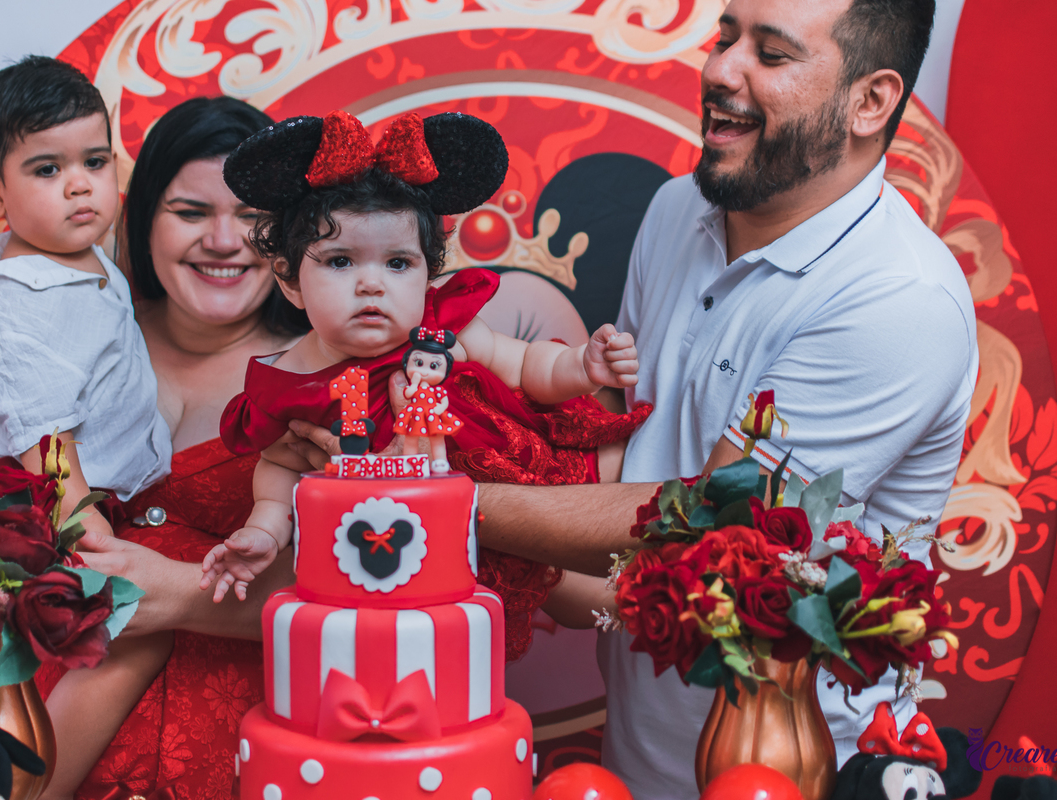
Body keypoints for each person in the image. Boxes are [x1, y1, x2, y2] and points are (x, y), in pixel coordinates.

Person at [284, 0, 978, 797]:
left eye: (773, 53)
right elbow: (626, 445)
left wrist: (413, 498)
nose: (719, 69)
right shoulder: (678, 211)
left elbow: (720, 522)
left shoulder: (896, 299)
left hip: (802, 761)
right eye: (725, 37)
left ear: (871, 101)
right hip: (641, 746)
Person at [0, 95, 308, 799]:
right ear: (141, 212)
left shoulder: (318, 374)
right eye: (190, 212)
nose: (225, 240)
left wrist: (181, 594)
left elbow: (368, 589)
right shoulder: (67, 320)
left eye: (252, 216)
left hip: (235, 749)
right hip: (20, 701)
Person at [202, 111, 646, 636]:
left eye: (397, 264)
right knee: (436, 639)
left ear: (428, 274)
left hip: (529, 489)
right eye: (341, 262)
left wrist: (580, 365)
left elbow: (526, 365)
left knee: (601, 545)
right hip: (419, 546)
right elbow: (278, 474)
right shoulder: (287, 383)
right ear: (290, 281)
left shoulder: (444, 330)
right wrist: (265, 531)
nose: (371, 284)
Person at [0, 55, 175, 800]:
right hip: (15, 509)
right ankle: (23, 786)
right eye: (46, 169)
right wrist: (86, 525)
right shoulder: (22, 306)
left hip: (42, 504)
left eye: (95, 161)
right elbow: (46, 441)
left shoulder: (79, 254)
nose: (79, 185)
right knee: (127, 633)